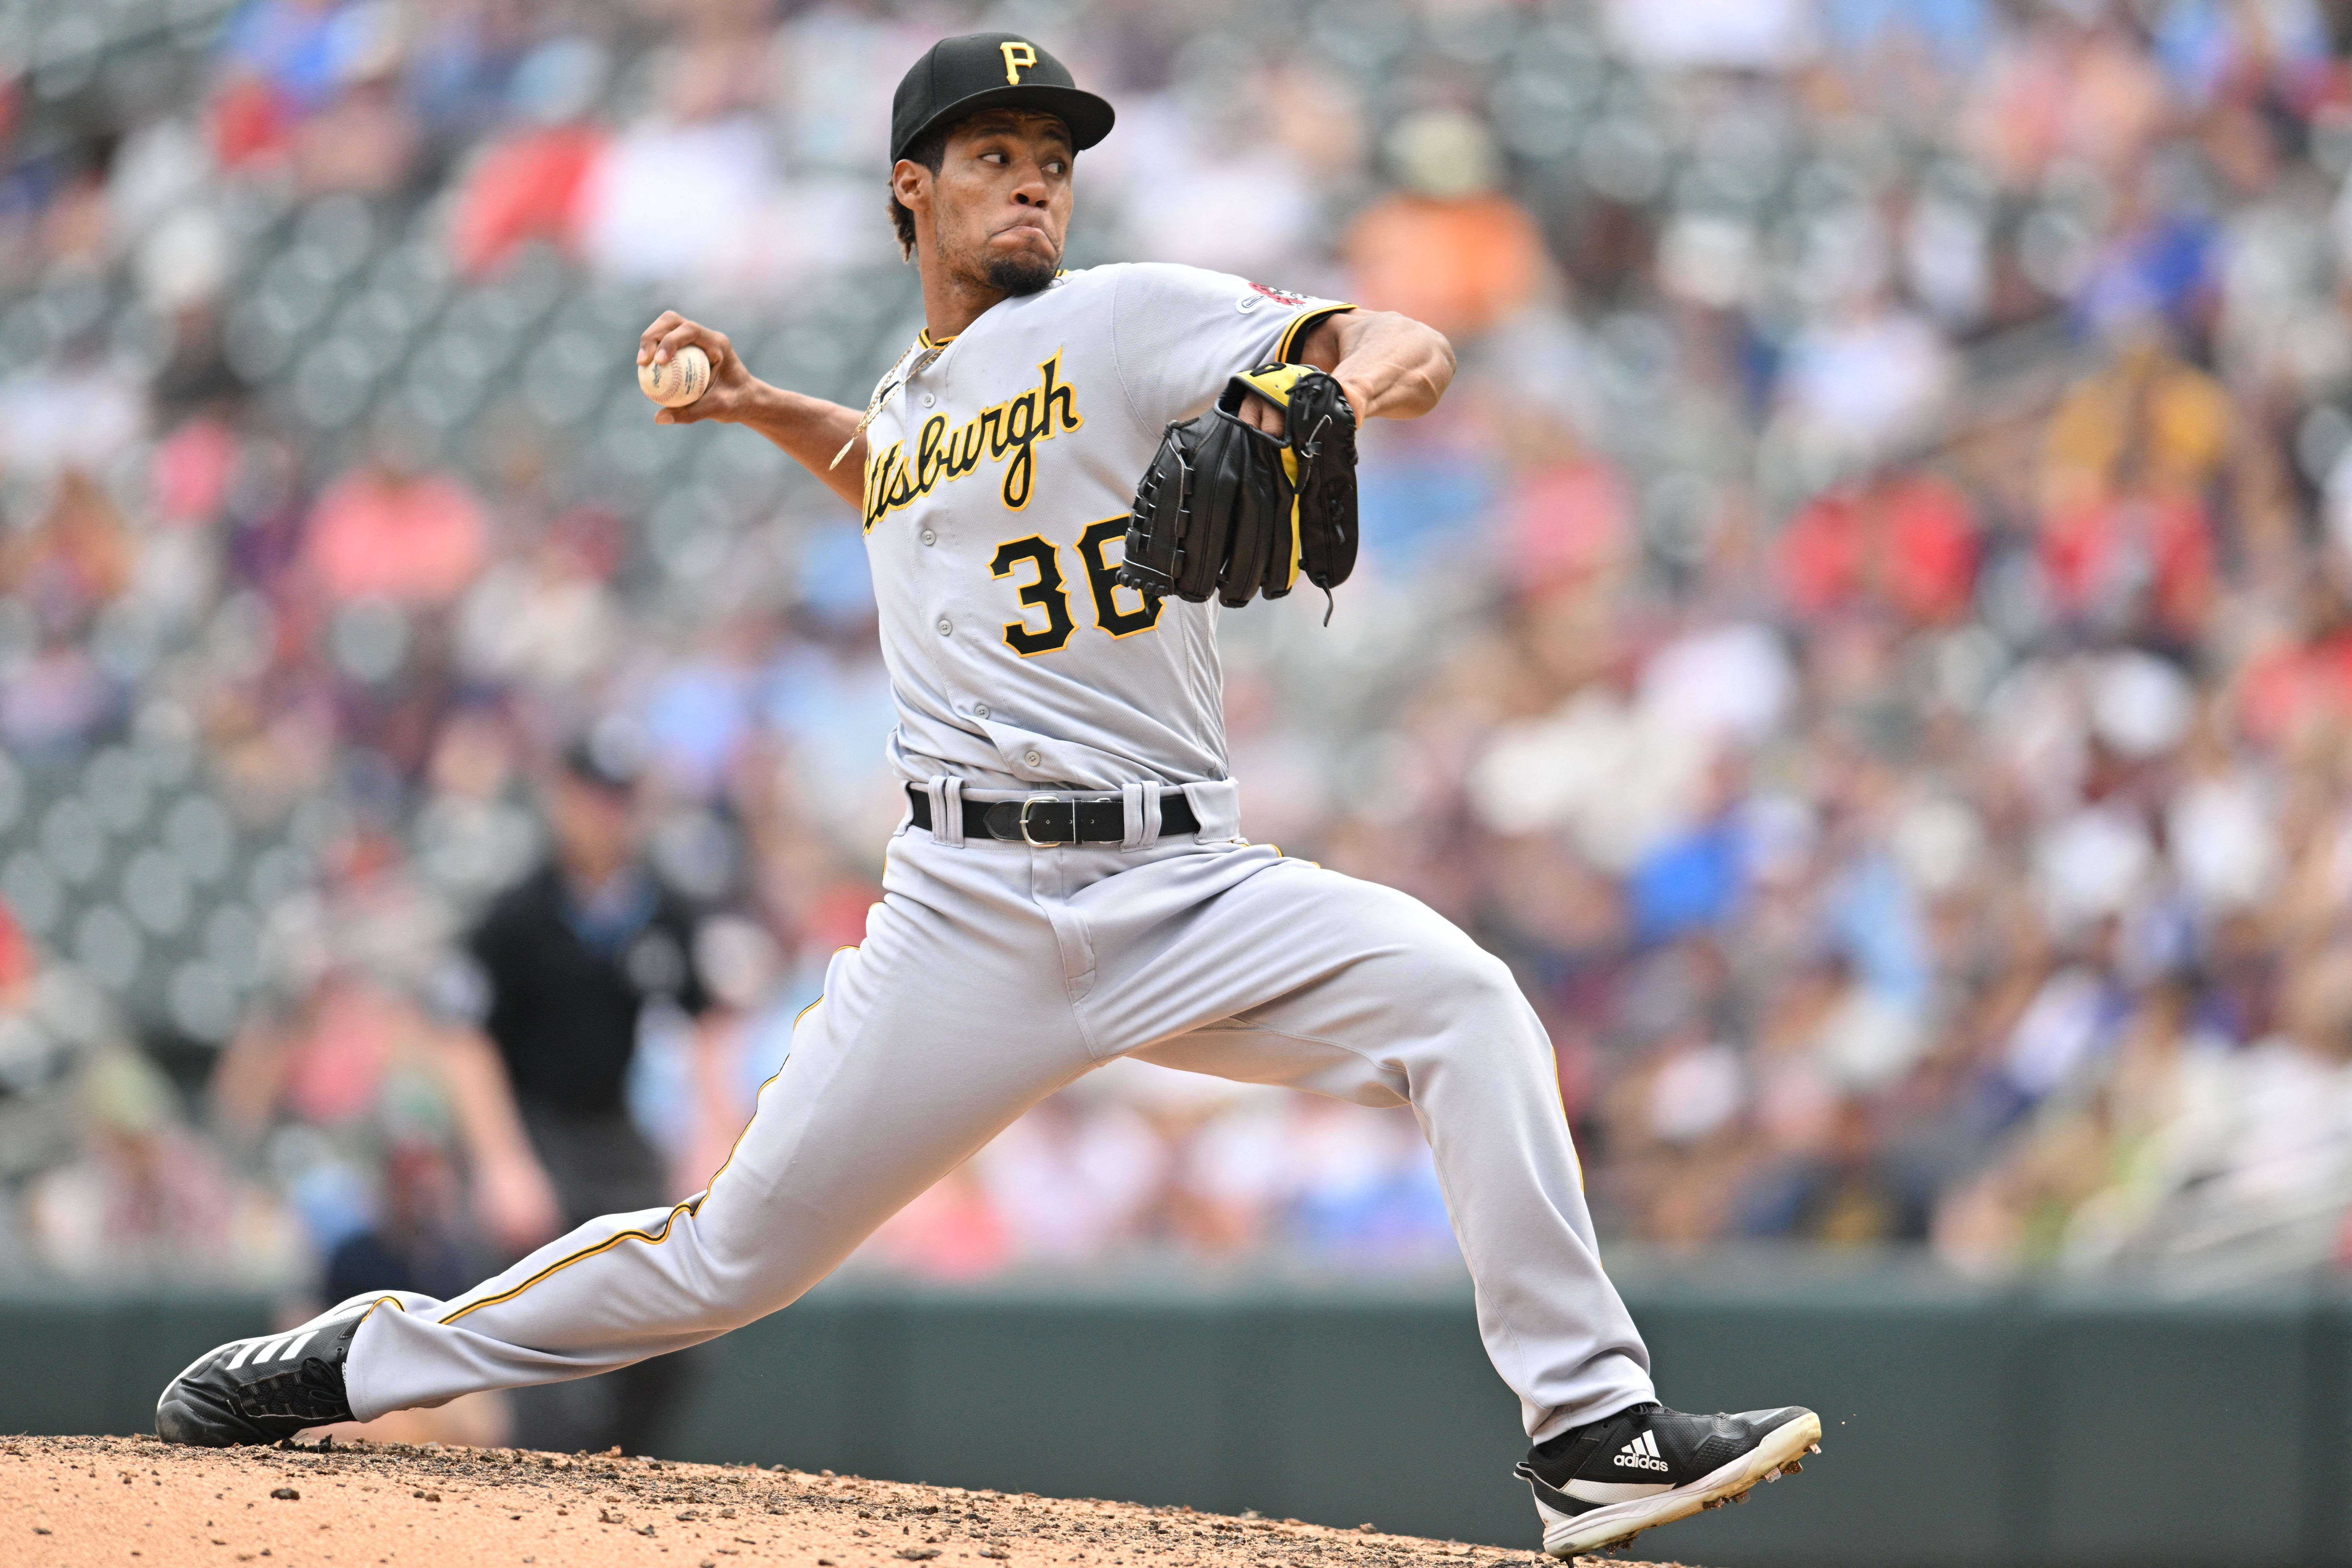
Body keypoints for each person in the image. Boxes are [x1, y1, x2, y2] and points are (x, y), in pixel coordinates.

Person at [155, 33, 1818, 1558]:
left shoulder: (1119, 316)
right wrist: (751, 408)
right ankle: (359, 1352)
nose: (1034, 177)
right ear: (912, 188)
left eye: (1053, 155)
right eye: (994, 152)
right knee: (721, 1257)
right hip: (962, 915)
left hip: (1186, 888)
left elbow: (1407, 342)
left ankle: (1590, 1429)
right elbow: (901, 471)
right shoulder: (917, 399)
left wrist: (1313, 392)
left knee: (1464, 1001)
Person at [429, 731, 719, 1454]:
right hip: (534, 1129)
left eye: (619, 798)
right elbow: (464, 1039)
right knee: (535, 1334)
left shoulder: (661, 910)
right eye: (592, 796)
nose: (604, 814)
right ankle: (540, 1513)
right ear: (561, 799)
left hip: (615, 1130)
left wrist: (711, 1135)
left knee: (678, 1319)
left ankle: (624, 1489)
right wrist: (502, 1164)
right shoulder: (518, 912)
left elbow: (707, 1025)